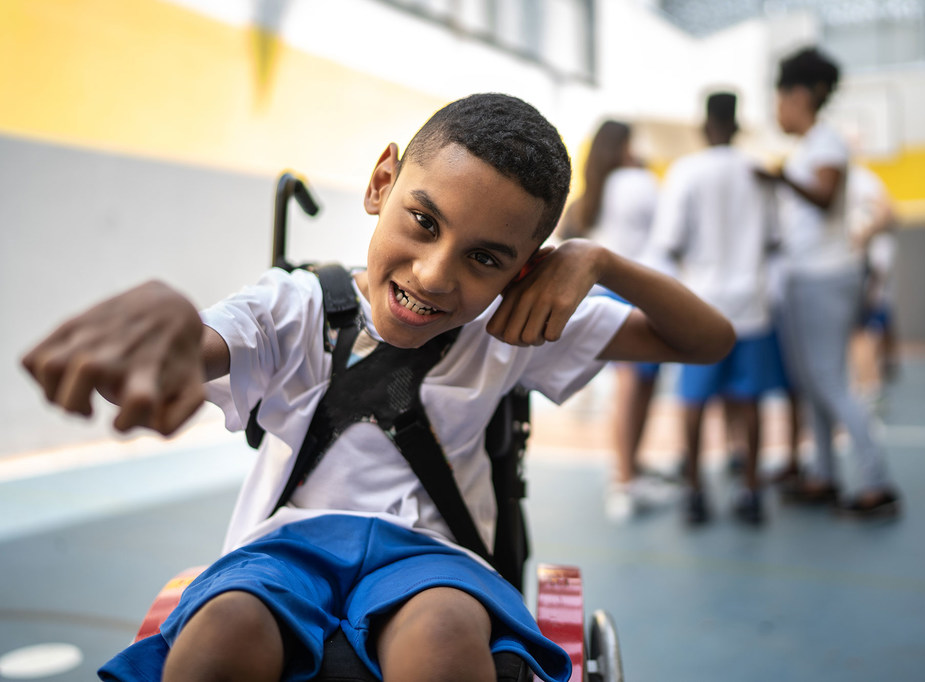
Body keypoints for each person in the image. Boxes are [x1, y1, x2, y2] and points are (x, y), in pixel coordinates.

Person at [21, 93, 735, 682]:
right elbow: (202, 342)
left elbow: (708, 341)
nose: (434, 275)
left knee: (445, 634)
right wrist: (173, 328)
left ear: (523, 273)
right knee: (224, 630)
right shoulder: (292, 307)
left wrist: (600, 263)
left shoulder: (511, 329)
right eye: (423, 222)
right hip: (283, 549)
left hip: (433, 560)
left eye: (484, 259)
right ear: (380, 182)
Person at [758, 48, 901, 517]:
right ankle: (823, 474)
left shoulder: (826, 143)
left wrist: (780, 177)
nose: (777, 110)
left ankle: (877, 481)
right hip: (805, 276)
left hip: (825, 276)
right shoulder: (808, 147)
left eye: (780, 99)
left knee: (830, 380)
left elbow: (823, 195)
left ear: (799, 97)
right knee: (811, 381)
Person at [645, 92, 782, 525]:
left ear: (704, 126)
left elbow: (668, 242)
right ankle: (752, 490)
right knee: (749, 400)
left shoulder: (686, 171)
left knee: (693, 401)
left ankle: (694, 491)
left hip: (701, 306)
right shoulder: (758, 169)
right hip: (751, 304)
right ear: (737, 125)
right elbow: (775, 238)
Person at [558, 120, 665, 523]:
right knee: (635, 386)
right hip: (637, 291)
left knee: (630, 387)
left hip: (600, 293)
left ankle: (627, 470)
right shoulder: (639, 183)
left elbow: (566, 238)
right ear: (624, 147)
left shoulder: (591, 193)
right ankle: (624, 477)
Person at [847, 162, 899, 402]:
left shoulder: (862, 179)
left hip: (865, 265)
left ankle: (870, 388)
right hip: (859, 266)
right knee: (866, 327)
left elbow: (889, 212)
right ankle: (872, 381)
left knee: (861, 329)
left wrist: (861, 236)